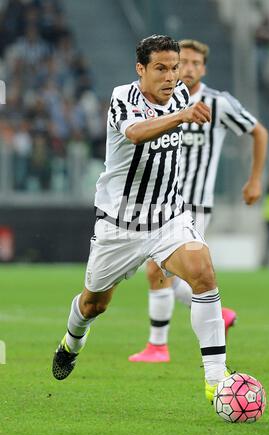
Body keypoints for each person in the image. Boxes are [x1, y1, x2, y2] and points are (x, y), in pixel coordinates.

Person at [52, 35, 231, 403]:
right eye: (161, 69)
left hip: (168, 217)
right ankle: (72, 342)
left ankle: (217, 380)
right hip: (120, 226)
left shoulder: (181, 93)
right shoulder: (123, 98)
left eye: (175, 68)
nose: (170, 77)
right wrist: (181, 116)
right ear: (141, 69)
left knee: (203, 272)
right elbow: (135, 134)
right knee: (93, 305)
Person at [129, 39, 269, 363]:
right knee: (161, 271)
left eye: (195, 63)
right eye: (183, 63)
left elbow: (258, 132)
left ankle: (158, 345)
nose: (188, 69)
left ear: (203, 69)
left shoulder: (218, 104)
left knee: (158, 270)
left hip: (193, 204)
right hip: (159, 202)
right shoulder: (161, 103)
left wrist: (255, 179)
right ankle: (216, 314)